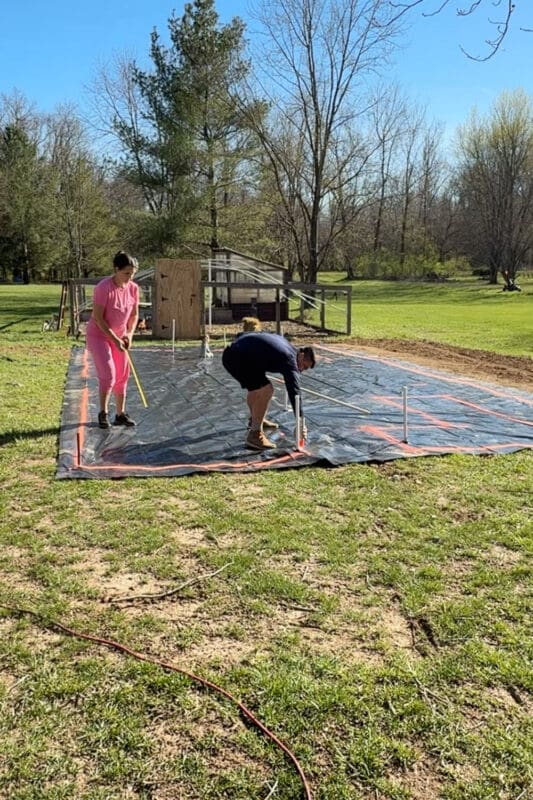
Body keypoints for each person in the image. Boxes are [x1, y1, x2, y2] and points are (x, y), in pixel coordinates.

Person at [222, 332, 316, 450]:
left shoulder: (289, 348)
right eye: (304, 366)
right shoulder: (290, 359)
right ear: (301, 355)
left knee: (256, 389)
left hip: (240, 354)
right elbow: (294, 391)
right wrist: (301, 423)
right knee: (266, 390)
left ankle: (255, 420)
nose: (301, 370)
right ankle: (255, 435)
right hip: (237, 358)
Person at [86, 251, 139, 429]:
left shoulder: (133, 288)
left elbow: (134, 314)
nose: (129, 277)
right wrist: (114, 339)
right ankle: (103, 412)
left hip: (120, 336)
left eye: (132, 273)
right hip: (99, 335)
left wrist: (129, 335)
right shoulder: (103, 288)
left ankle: (120, 414)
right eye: (126, 273)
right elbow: (99, 319)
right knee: (108, 375)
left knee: (123, 375)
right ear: (116, 269)